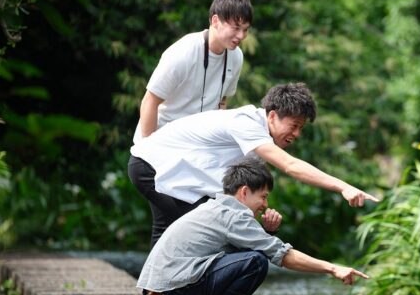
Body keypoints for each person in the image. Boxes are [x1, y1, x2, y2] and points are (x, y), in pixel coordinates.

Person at [137, 158, 368, 295]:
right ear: (244, 192)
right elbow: (282, 255)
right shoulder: (234, 216)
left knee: (247, 258)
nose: (265, 204)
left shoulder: (216, 207)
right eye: (264, 196)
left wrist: (265, 231)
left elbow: (229, 254)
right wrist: (332, 268)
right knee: (256, 262)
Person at [128, 82, 378, 247]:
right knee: (205, 232)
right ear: (272, 116)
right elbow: (290, 166)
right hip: (150, 166)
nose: (297, 134)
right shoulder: (248, 124)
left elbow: (244, 196)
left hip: (167, 172)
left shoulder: (258, 144)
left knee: (178, 231)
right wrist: (343, 187)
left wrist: (266, 224)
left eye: (301, 128)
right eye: (294, 126)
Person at [134, 0, 252, 143]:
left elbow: (222, 102)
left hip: (197, 147)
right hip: (160, 141)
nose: (241, 36)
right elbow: (150, 101)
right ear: (215, 21)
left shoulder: (236, 56)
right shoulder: (184, 51)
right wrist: (148, 147)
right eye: (236, 28)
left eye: (245, 29)